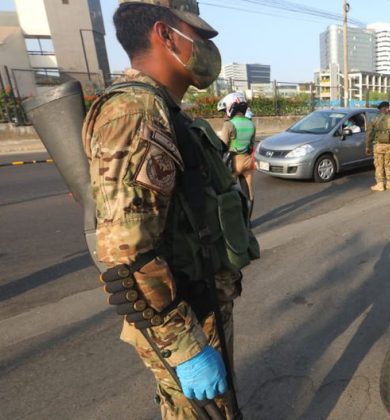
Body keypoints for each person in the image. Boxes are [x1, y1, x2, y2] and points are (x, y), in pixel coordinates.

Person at [82, 1, 258, 418]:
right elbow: (126, 250)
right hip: (185, 316)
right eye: (197, 35)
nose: (206, 47)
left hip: (198, 306)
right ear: (165, 35)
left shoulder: (161, 108)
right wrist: (185, 347)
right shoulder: (135, 112)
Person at [218, 92, 256, 224]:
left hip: (233, 163)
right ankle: (248, 222)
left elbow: (222, 146)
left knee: (229, 194)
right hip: (247, 161)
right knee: (249, 193)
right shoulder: (251, 124)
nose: (224, 113)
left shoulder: (229, 124)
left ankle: (233, 223)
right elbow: (251, 145)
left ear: (230, 107)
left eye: (224, 110)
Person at [366, 101, 390, 191]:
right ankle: (389, 183)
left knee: (379, 165)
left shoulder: (374, 119)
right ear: (387, 108)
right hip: (389, 145)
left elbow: (369, 134)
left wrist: (367, 146)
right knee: (388, 164)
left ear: (380, 109)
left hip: (378, 145)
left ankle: (380, 184)